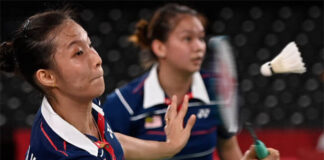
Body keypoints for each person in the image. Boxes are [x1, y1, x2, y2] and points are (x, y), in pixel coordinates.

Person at [0, 9, 197, 160]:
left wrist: (169, 147)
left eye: (90, 45)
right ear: (47, 77)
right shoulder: (66, 153)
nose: (97, 59)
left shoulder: (75, 106)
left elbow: (110, 143)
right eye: (78, 52)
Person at [103, 3, 280, 160]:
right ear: (159, 47)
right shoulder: (123, 104)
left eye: (201, 38)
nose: (199, 47)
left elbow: (228, 148)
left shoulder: (218, 89)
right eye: (188, 38)